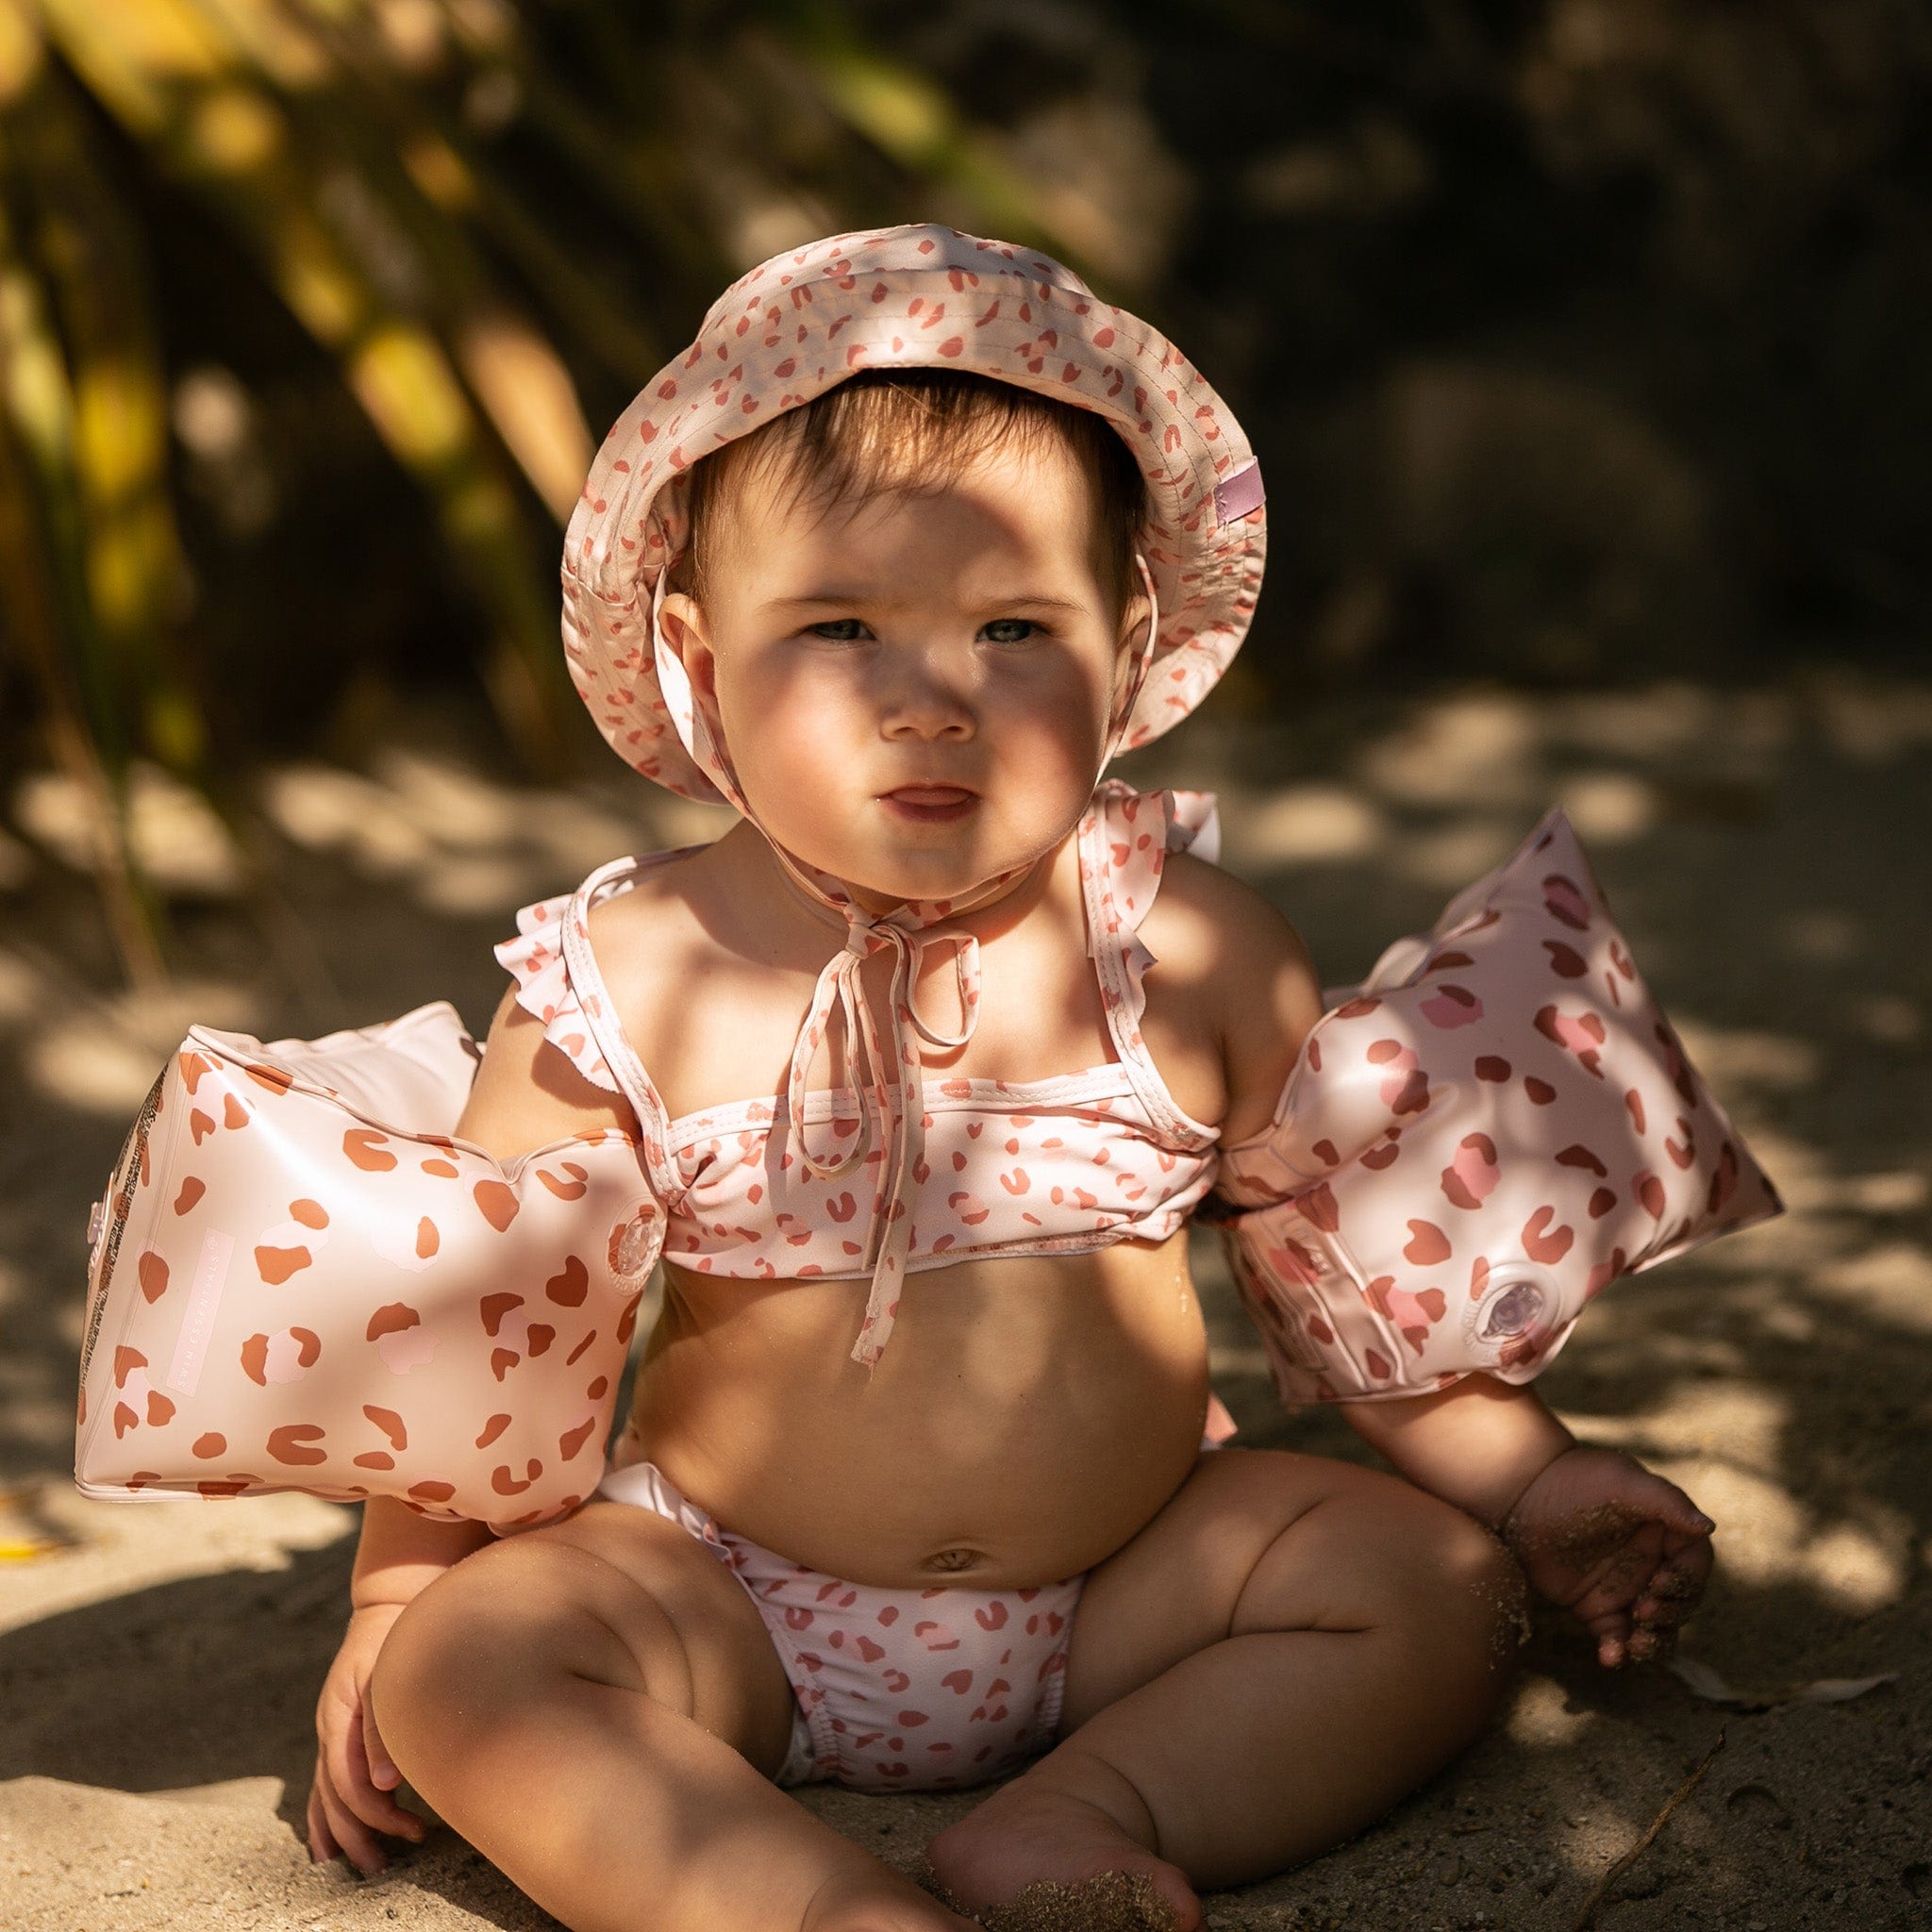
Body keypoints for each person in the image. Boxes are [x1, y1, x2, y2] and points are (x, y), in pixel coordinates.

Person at [304, 227, 1721, 1932]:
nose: (932, 701)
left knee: (1428, 1585)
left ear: (1125, 646)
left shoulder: (1188, 955)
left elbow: (1352, 1290)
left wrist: (1539, 1475)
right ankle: (818, 1910)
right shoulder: (626, 981)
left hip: (1130, 1586)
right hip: (726, 1592)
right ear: (695, 657)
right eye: (837, 628)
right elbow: (479, 1340)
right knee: (474, 1669)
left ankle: (1085, 1813)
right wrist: (397, 1607)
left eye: (1011, 628)